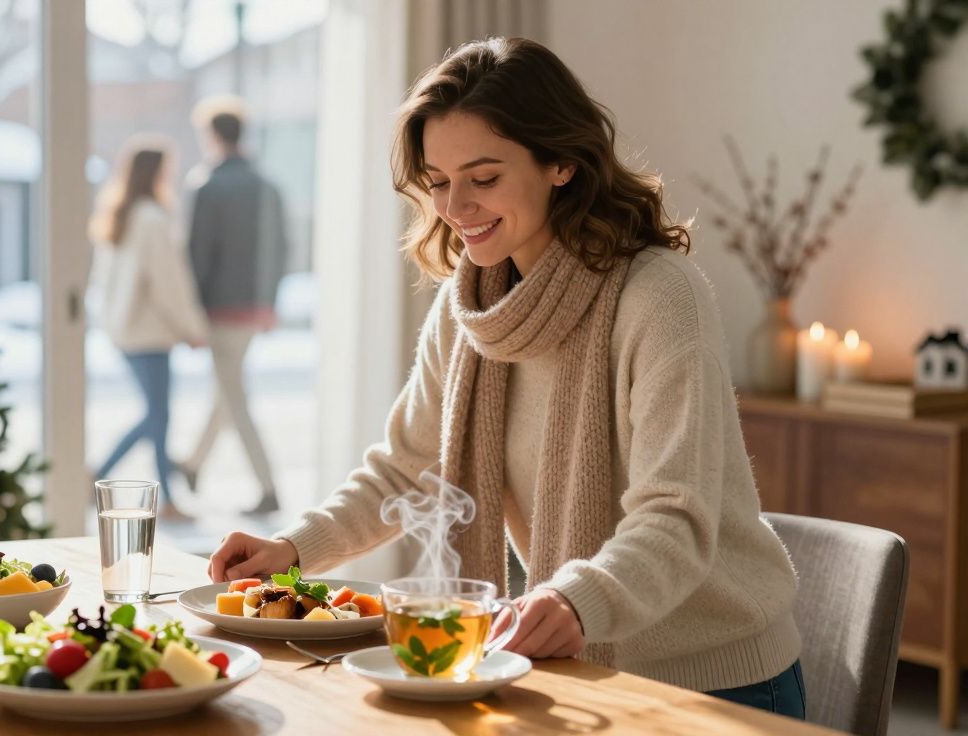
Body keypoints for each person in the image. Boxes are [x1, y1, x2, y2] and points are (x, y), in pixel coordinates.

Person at [206, 38, 805, 719]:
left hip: (716, 684)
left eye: (483, 178)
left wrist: (576, 597)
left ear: (560, 163)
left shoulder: (659, 297)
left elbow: (676, 518)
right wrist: (290, 551)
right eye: (437, 181)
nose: (455, 207)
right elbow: (405, 471)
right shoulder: (471, 309)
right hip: (573, 670)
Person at [176, 96, 288, 515]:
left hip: (219, 309)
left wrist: (191, 315)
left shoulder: (207, 184)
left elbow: (197, 254)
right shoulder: (267, 185)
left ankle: (268, 487)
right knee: (227, 390)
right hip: (254, 307)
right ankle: (192, 465)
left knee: (234, 396)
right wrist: (269, 302)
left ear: (211, 135)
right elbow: (283, 248)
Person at [91, 136, 207, 520]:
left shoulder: (119, 215)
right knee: (158, 415)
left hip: (125, 332)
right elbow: (168, 283)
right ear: (156, 173)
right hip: (150, 334)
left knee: (156, 414)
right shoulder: (152, 220)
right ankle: (151, 493)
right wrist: (191, 327)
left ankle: (102, 476)